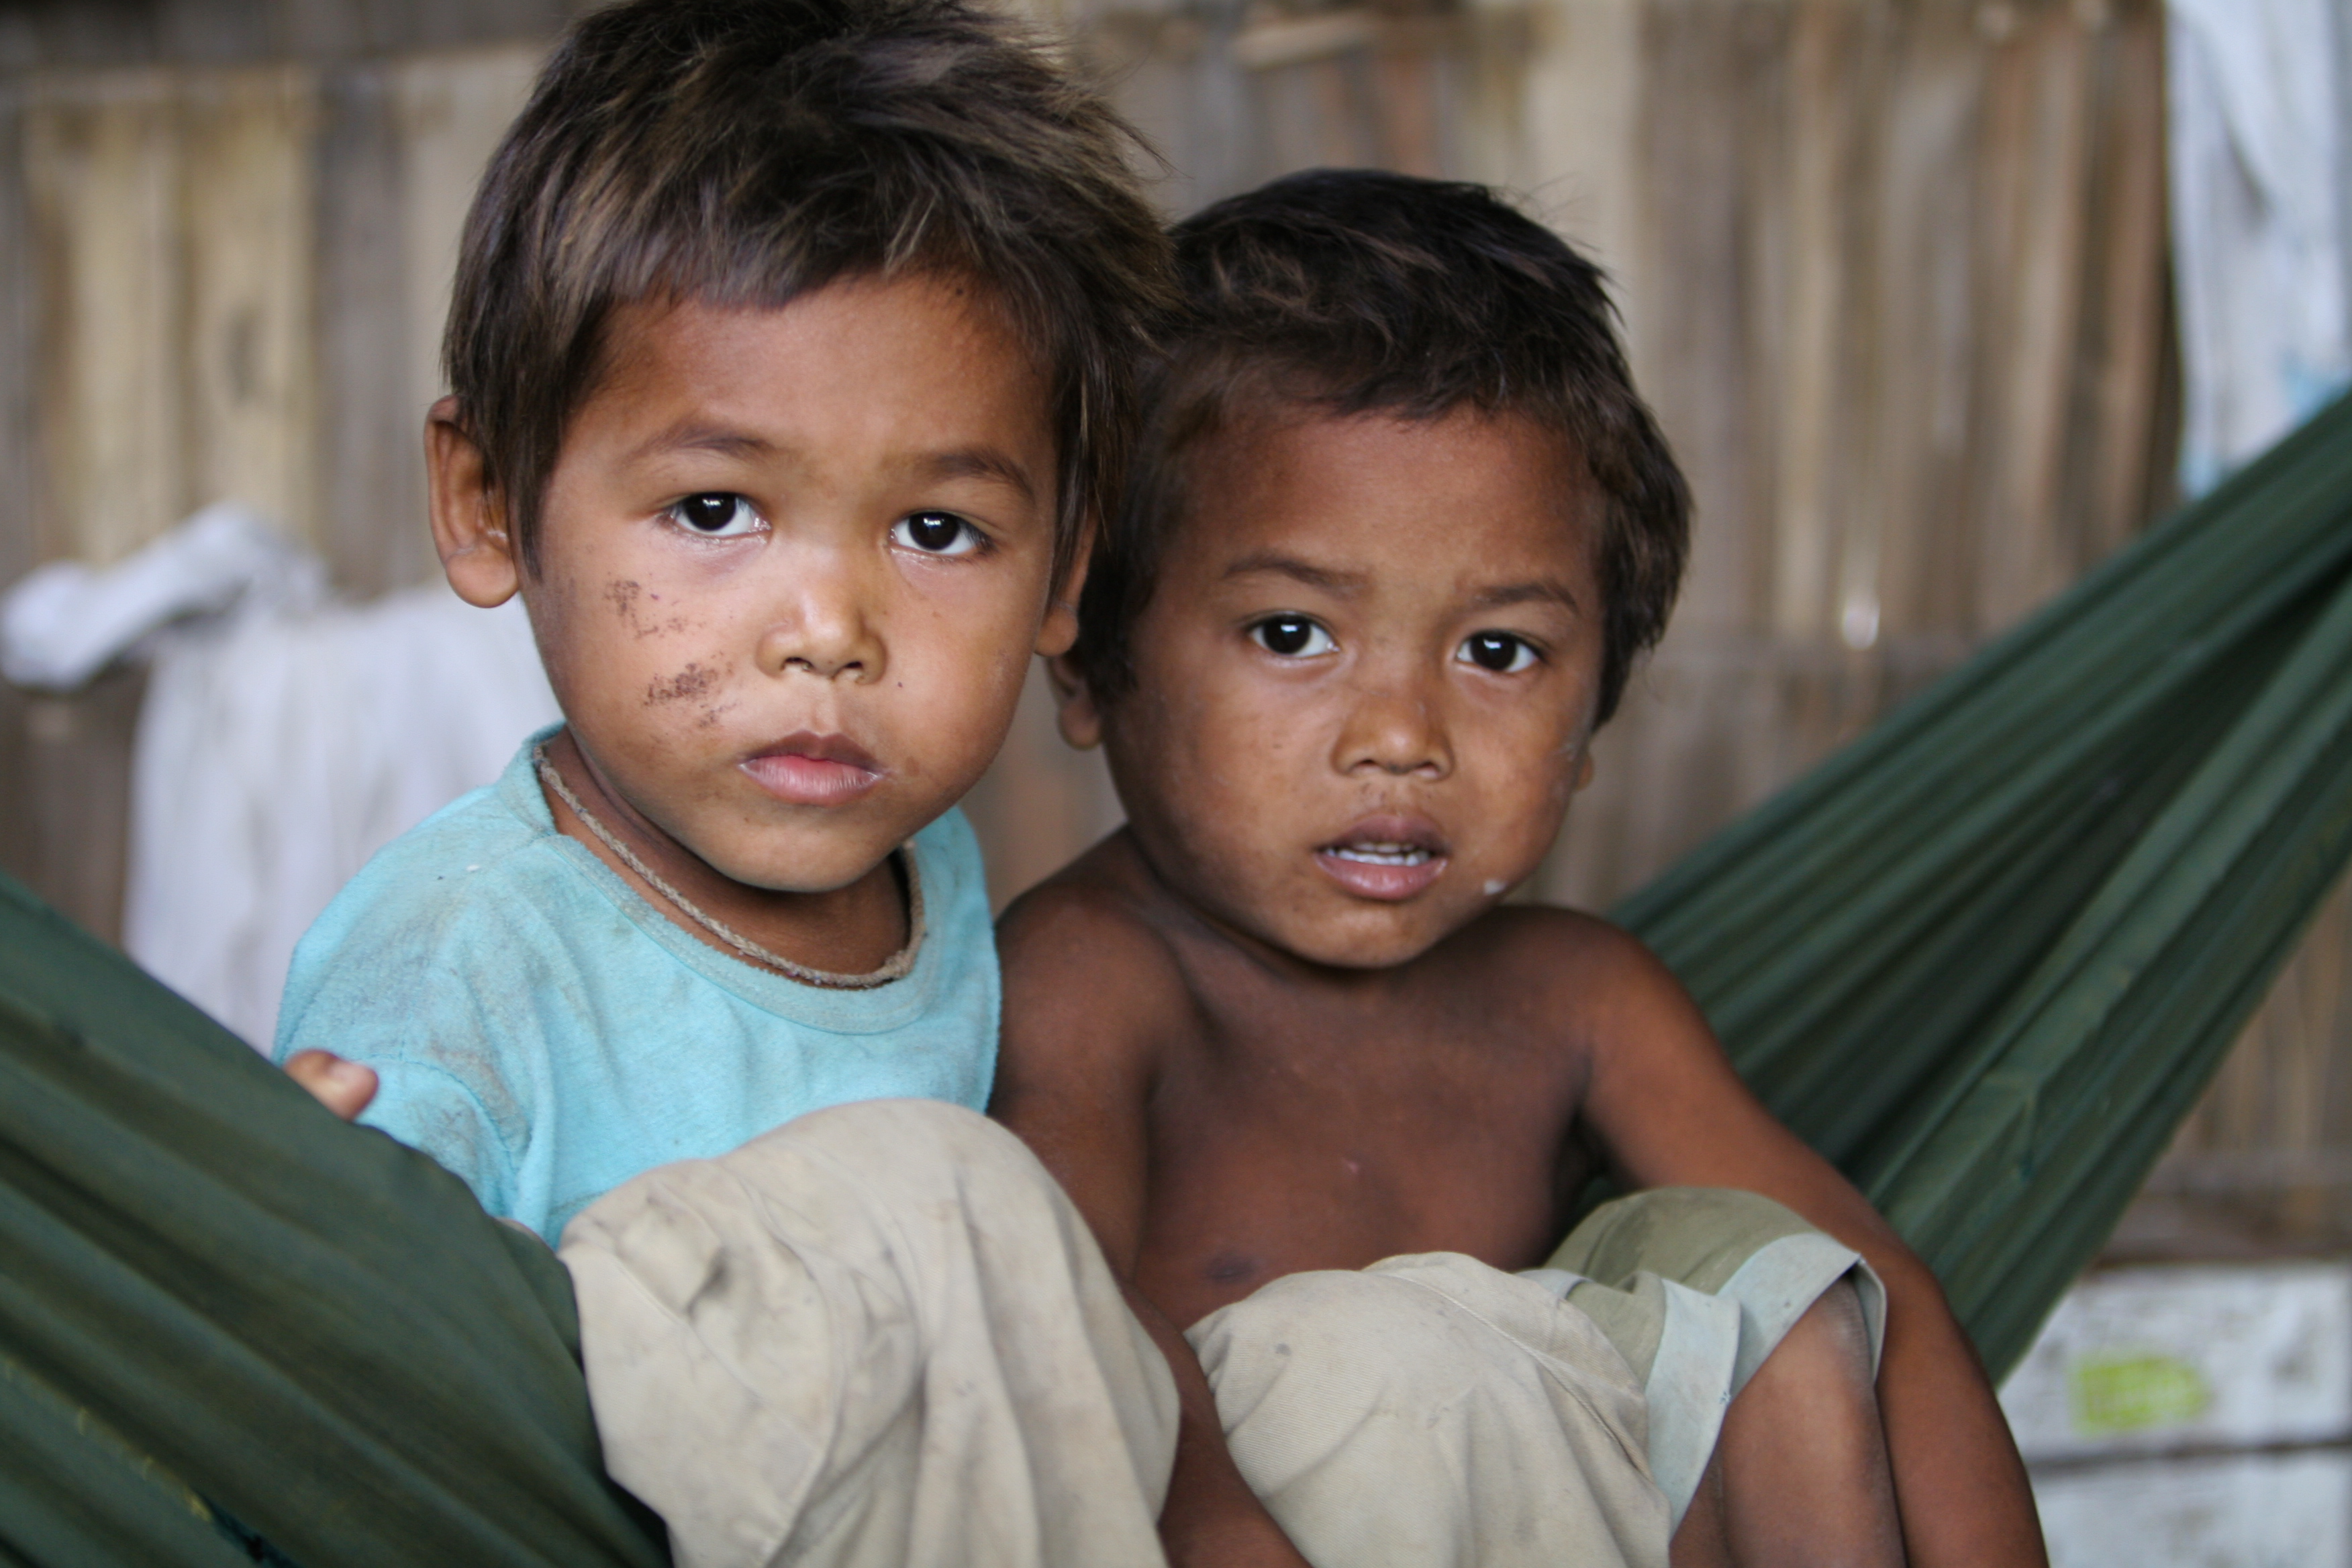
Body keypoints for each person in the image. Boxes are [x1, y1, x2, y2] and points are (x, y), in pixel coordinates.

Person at [989, 170, 2047, 1568]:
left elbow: (1875, 1292)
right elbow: (1056, 1331)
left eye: (1501, 652)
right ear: (1092, 662)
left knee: (1779, 1288)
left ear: (1596, 712)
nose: (1401, 738)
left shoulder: (1577, 996)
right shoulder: (1092, 977)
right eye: (1293, 633)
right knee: (1365, 1346)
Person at [279, 3, 1204, 1562]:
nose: (832, 632)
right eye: (715, 508)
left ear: (1068, 570)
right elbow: (348, 1418)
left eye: (938, 532)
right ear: (491, 500)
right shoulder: (462, 960)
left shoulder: (939, 883)